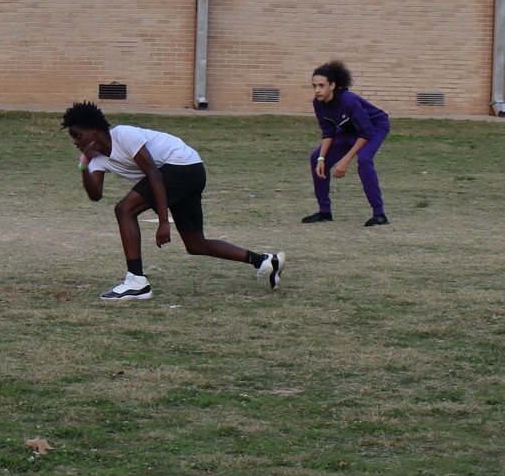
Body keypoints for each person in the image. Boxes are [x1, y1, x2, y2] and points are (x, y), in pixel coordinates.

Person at [61, 101, 285, 302]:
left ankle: (137, 282)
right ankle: (265, 261)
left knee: (124, 209)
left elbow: (154, 174)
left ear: (93, 130)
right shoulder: (95, 160)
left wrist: (163, 221)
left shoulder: (123, 135)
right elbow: (95, 195)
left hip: (182, 166)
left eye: (77, 135)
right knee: (196, 245)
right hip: (185, 173)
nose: (76, 142)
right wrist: (84, 165)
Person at [302, 60, 391, 226]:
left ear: (332, 85)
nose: (317, 90)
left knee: (364, 159)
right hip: (349, 130)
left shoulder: (348, 101)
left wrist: (345, 160)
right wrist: (322, 159)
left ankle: (379, 214)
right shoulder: (318, 103)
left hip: (374, 127)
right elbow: (328, 132)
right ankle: (324, 212)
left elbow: (366, 132)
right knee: (316, 158)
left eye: (321, 85)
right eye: (314, 86)